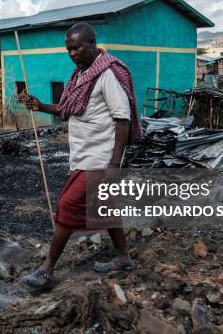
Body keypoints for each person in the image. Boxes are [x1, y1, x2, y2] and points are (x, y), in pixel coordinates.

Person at [19, 22, 142, 290]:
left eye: (77, 47)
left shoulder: (108, 73)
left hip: (100, 158)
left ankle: (47, 270)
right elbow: (68, 110)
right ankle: (123, 259)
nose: (72, 53)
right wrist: (40, 105)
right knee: (106, 210)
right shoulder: (80, 75)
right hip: (84, 154)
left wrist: (114, 164)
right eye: (69, 48)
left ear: (92, 43)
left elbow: (123, 120)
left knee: (67, 207)